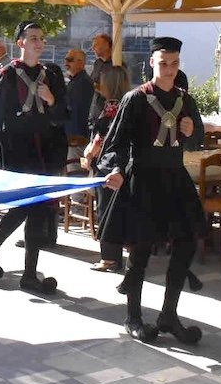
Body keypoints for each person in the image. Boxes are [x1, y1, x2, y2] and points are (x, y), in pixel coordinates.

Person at [97, 37, 205, 344]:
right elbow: (114, 143)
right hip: (143, 179)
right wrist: (115, 169)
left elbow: (198, 139)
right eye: (163, 63)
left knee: (186, 243)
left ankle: (168, 315)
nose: (169, 69)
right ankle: (133, 317)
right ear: (152, 64)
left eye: (174, 64)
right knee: (141, 250)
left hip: (175, 179)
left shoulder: (187, 99)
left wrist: (191, 132)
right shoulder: (136, 98)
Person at [0, 21, 68, 294]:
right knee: (23, 206)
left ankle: (28, 273)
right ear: (21, 43)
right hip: (17, 148)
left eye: (41, 38)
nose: (38, 42)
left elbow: (65, 114)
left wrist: (51, 100)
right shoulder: (8, 74)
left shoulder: (51, 75)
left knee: (38, 209)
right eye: (32, 38)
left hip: (45, 149)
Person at [82, 64, 132, 272]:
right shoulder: (129, 103)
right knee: (118, 210)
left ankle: (109, 258)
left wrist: (89, 153)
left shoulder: (111, 106)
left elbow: (102, 137)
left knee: (105, 210)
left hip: (108, 162)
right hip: (124, 163)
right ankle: (116, 255)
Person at [64, 48, 95, 170]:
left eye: (70, 60)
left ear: (81, 62)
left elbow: (78, 111)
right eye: (66, 59)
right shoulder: (76, 81)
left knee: (75, 171)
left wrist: (74, 137)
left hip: (77, 138)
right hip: (74, 136)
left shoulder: (82, 83)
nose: (66, 63)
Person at [88, 34, 115, 122]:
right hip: (95, 110)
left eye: (95, 45)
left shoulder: (116, 65)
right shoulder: (97, 63)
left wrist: (95, 86)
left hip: (110, 113)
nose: (93, 48)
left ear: (106, 45)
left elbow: (112, 90)